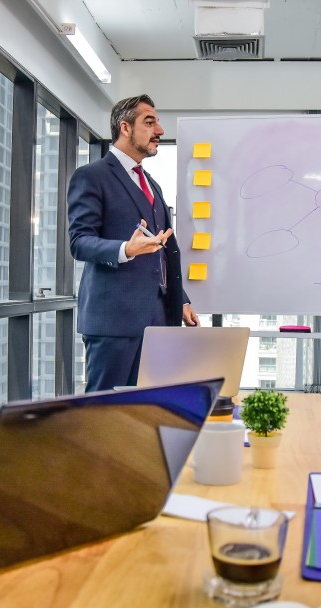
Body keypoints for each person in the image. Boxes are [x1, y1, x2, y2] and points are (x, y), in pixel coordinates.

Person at [68, 94, 199, 393]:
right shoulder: (91, 176)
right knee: (105, 414)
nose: (160, 131)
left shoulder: (152, 184)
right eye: (150, 122)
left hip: (157, 319)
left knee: (146, 409)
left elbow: (161, 251)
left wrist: (180, 299)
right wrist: (124, 250)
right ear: (125, 128)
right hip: (113, 321)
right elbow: (79, 241)